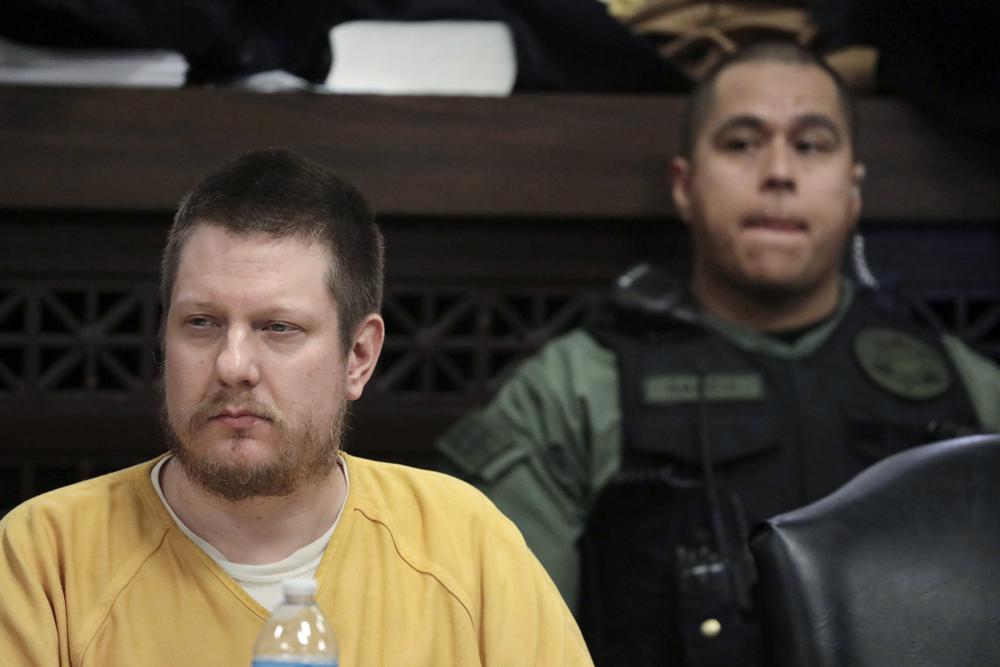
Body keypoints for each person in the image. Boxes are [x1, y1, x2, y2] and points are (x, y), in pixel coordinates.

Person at [436, 42, 1000, 666]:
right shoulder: (575, 391)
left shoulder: (970, 389)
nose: (779, 172)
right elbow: (502, 643)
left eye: (811, 145)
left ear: (854, 187)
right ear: (684, 185)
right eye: (741, 144)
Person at [0, 148, 593, 666]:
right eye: (201, 323)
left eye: (277, 328)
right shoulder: (46, 555)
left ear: (358, 356)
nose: (233, 365)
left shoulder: (465, 543)